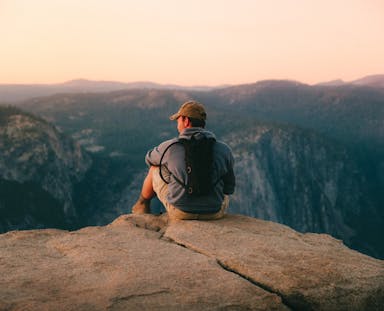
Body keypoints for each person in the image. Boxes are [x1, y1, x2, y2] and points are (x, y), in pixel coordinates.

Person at [131, 100, 235, 220]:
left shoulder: (170, 147)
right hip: (214, 213)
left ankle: (142, 205)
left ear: (186, 121)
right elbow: (229, 188)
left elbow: (149, 159)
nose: (177, 124)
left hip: (180, 212)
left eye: (178, 120)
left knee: (155, 168)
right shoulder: (224, 149)